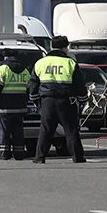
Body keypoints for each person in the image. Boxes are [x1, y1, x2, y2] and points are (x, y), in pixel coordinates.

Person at [29, 35, 86, 164]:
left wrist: (36, 100)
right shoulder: (70, 62)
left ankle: (39, 157)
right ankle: (78, 157)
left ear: (52, 47)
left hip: (47, 101)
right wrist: (83, 99)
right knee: (71, 130)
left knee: (45, 130)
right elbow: (79, 84)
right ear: (65, 48)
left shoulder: (41, 62)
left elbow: (33, 83)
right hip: (65, 101)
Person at [0, 48, 30, 161]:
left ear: (5, 57)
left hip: (4, 107)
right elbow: (29, 88)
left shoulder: (2, 69)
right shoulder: (25, 70)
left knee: (3, 130)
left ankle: (2, 153)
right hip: (20, 107)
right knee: (18, 131)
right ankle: (19, 153)